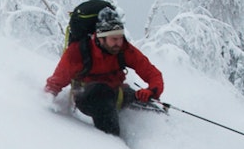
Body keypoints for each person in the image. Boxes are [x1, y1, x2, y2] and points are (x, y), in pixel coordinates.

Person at [44, 7, 165, 136]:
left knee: (150, 107)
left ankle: (163, 134)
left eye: (120, 38)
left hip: (116, 94)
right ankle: (112, 144)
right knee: (101, 92)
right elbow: (56, 82)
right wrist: (45, 103)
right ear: (100, 38)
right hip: (87, 97)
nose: (118, 43)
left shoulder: (124, 49)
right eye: (114, 39)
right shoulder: (78, 52)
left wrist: (151, 91)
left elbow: (152, 73)